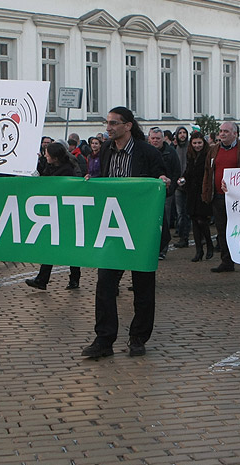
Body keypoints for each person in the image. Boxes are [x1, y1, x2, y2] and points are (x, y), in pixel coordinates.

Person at [80, 106, 167, 359]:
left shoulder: (147, 152)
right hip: (113, 228)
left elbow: (164, 184)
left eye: (114, 123)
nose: (108, 128)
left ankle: (138, 337)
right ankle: (104, 339)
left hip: (141, 229)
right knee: (105, 284)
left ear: (128, 126)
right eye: (107, 123)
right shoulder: (105, 150)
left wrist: (163, 183)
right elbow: (103, 181)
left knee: (143, 287)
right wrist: (90, 182)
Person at [26, 141, 82, 291]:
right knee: (51, 246)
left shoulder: (67, 170)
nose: (45, 155)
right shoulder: (51, 167)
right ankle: (42, 279)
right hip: (53, 212)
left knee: (69, 247)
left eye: (48, 154)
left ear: (55, 157)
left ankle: (74, 278)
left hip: (65, 214)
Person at [203, 121, 240, 273]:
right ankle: (227, 261)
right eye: (220, 131)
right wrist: (206, 191)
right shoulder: (214, 150)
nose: (222, 134)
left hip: (239, 199)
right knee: (222, 230)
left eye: (226, 131)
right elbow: (208, 171)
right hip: (219, 197)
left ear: (235, 133)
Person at [178, 130, 213, 262]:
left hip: (202, 190)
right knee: (194, 221)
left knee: (202, 220)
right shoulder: (191, 155)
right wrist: (183, 178)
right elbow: (188, 170)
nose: (197, 145)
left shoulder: (207, 155)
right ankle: (199, 250)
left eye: (199, 143)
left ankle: (208, 243)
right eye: (195, 143)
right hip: (192, 191)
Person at [149, 127, 181, 260]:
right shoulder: (147, 152)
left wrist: (171, 188)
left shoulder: (170, 152)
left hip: (165, 192)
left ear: (162, 139)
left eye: (158, 138)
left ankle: (163, 248)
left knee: (164, 220)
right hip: (150, 192)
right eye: (153, 138)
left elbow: (175, 171)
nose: (155, 141)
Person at [171, 126, 191, 248]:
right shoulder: (174, 149)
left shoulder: (190, 148)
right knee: (180, 213)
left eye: (184, 133)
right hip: (178, 185)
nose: (182, 135)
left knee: (188, 212)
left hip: (188, 183)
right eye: (180, 133)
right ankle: (182, 236)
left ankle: (186, 236)